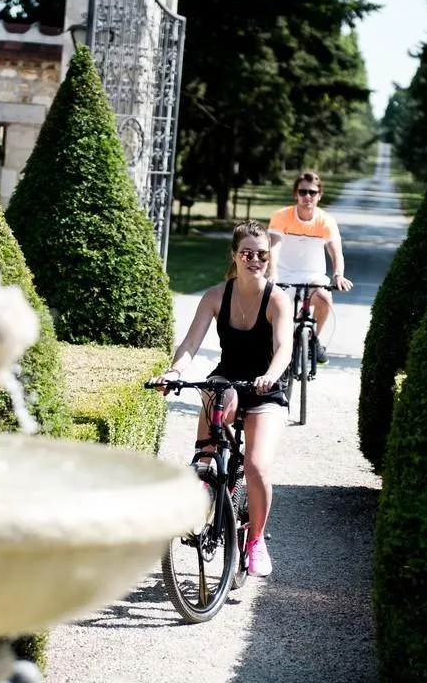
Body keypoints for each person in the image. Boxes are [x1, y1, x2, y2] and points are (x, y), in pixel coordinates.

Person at [151, 222, 293, 578]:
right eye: (247, 253)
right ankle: (209, 488)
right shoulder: (216, 296)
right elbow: (189, 345)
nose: (255, 260)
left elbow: (284, 348)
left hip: (264, 387)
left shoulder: (277, 298)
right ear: (234, 255)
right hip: (228, 377)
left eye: (262, 254)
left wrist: (271, 375)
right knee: (207, 447)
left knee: (258, 466)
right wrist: (173, 374)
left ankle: (256, 540)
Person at [266, 171, 353, 364]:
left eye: (312, 192)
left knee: (324, 297)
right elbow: (274, 246)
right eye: (303, 192)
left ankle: (313, 340)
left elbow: (335, 252)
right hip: (284, 274)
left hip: (313, 275)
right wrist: (272, 273)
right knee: (279, 315)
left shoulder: (326, 221)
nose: (307, 197)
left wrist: (338, 274)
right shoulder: (281, 216)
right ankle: (278, 354)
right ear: (295, 194)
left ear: (319, 195)